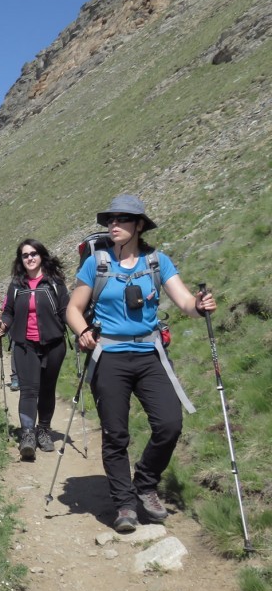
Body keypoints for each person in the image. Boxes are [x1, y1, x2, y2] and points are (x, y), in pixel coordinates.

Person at [67, 194, 216, 533]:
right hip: (109, 357)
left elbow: (185, 304)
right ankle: (124, 504)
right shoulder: (96, 263)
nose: (113, 225)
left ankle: (145, 484)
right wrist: (84, 331)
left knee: (169, 424)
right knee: (116, 433)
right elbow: (73, 309)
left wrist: (201, 304)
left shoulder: (157, 262)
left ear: (138, 225)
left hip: (150, 355)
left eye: (121, 219)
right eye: (110, 220)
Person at [0, 239, 69, 461]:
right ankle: (28, 434)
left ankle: (43, 431)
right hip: (25, 344)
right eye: (25, 255)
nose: (30, 258)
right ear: (21, 260)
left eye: (33, 253)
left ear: (41, 255)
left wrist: (81, 328)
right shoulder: (16, 285)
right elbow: (8, 311)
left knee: (47, 389)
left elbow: (66, 310)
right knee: (28, 390)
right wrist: (3, 324)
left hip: (54, 344)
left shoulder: (55, 282)